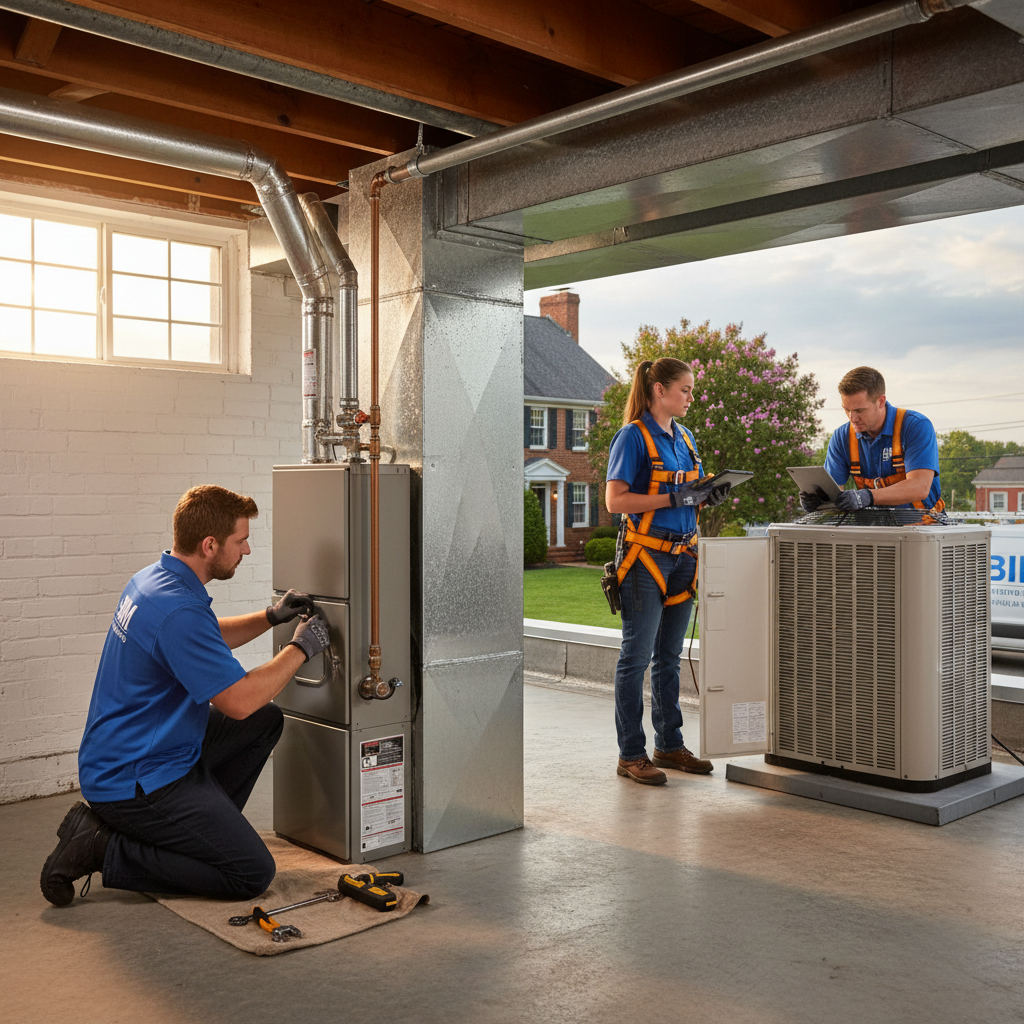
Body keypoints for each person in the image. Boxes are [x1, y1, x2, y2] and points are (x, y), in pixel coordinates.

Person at [40, 485, 331, 907]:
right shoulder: (178, 611)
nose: (247, 550)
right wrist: (301, 648)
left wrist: (271, 617)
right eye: (240, 540)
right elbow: (239, 699)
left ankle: (197, 837)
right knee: (251, 873)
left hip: (137, 748)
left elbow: (203, 639)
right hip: (134, 778)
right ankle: (100, 846)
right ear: (209, 544)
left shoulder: (154, 581)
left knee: (264, 722)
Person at [605, 358, 731, 785]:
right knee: (636, 658)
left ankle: (669, 745)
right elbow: (615, 502)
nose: (691, 397)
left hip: (683, 558)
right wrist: (673, 500)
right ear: (659, 390)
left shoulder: (686, 437)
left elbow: (684, 494)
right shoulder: (632, 437)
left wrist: (704, 496)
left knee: (669, 659)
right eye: (685, 390)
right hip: (645, 559)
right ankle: (631, 754)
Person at [800, 366, 943, 516]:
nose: (852, 418)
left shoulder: (915, 426)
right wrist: (820, 501)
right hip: (871, 527)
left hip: (923, 527)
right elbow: (835, 494)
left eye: (860, 410)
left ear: (881, 401)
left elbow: (919, 487)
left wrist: (867, 496)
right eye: (846, 409)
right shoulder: (842, 437)